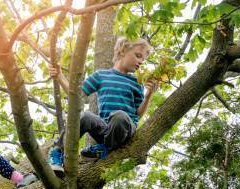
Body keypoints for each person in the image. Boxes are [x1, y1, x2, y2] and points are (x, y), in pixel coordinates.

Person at [48, 37, 158, 173]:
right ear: (123, 50)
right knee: (85, 116)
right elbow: (76, 95)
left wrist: (148, 96)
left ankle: (105, 148)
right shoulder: (101, 76)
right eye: (138, 56)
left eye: (143, 59)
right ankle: (57, 152)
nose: (141, 62)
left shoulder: (136, 83)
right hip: (105, 131)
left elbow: (138, 114)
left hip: (125, 130)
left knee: (120, 116)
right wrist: (59, 76)